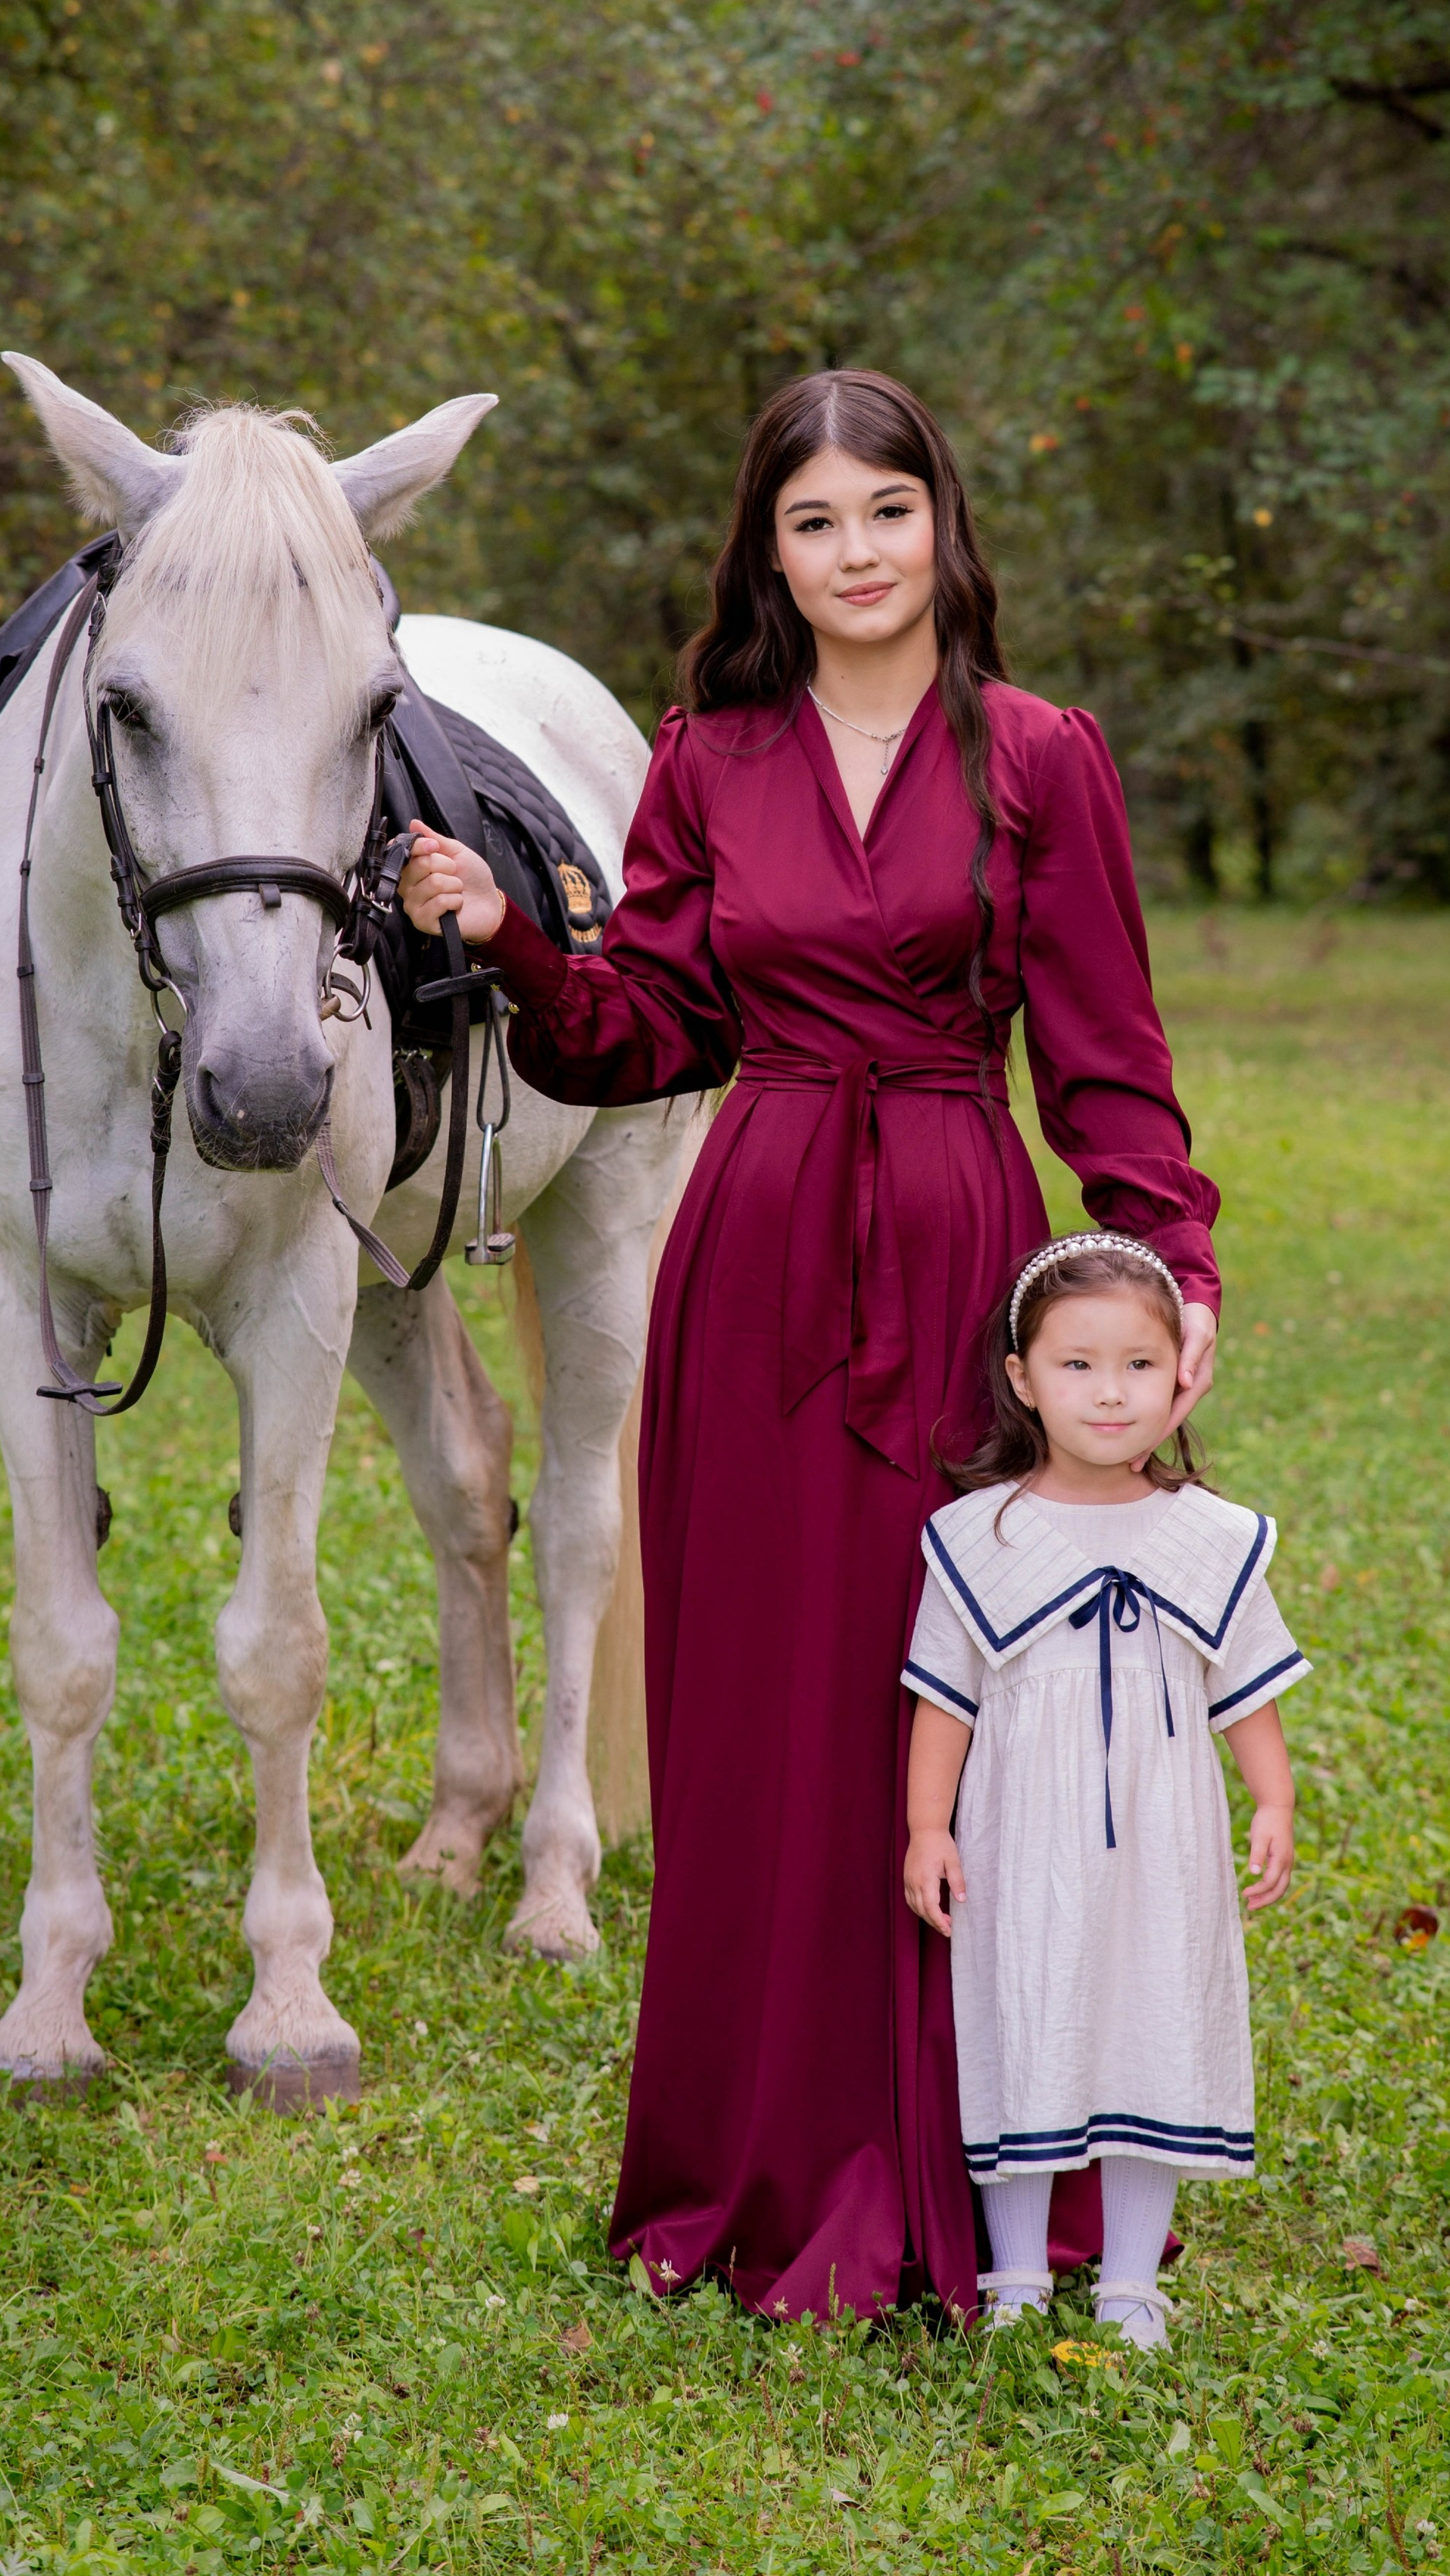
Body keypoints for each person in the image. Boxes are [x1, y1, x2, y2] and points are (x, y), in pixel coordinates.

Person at [400, 368, 1222, 2323]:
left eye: (885, 510)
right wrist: (512, 937)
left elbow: (1107, 1061)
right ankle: (756, 2171)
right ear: (766, 556)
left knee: (967, 1705)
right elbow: (643, 1029)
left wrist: (1164, 1273)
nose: (856, 552)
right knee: (762, 1718)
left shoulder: (1040, 757)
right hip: (752, 1260)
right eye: (812, 521)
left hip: (956, 1253)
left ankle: (986, 2172)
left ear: (942, 521)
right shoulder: (710, 755)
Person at [903, 1233, 1306, 2341]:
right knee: (1025, 2019)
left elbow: (1246, 1687)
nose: (1111, 1392)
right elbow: (945, 1699)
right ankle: (1016, 2276)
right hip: (1022, 1839)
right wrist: (928, 1826)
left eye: (1139, 1364)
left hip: (1167, 1840)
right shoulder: (980, 1537)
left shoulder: (1209, 1536)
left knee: (1157, 2020)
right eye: (1077, 1365)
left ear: (1181, 1373)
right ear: (1023, 1379)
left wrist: (1273, 1800)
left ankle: (1132, 2281)